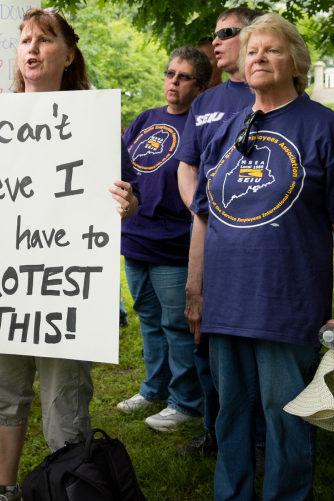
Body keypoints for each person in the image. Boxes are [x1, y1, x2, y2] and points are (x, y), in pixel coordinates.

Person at [0, 5, 140, 501]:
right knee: (2, 390)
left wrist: (126, 201)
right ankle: (5, 488)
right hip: (0, 283)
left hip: (63, 287)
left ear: (68, 53)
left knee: (66, 398)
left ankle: (72, 486)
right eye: (24, 40)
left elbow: (128, 192)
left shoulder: (94, 120)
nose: (32, 48)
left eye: (44, 39)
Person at [185, 13, 334, 501]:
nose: (259, 57)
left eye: (272, 49)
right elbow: (203, 215)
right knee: (230, 414)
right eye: (251, 51)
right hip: (225, 301)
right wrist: (194, 291)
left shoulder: (323, 126)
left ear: (296, 62)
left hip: (286, 301)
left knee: (287, 413)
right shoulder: (227, 127)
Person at [175, 7, 260, 458]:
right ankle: (215, 429)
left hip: (257, 243)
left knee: (257, 344)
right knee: (203, 335)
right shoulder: (205, 101)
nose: (217, 42)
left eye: (228, 32)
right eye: (215, 34)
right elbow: (187, 165)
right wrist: (200, 208)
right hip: (208, 239)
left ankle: (261, 434)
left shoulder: (272, 94)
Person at [116, 46, 211, 433]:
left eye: (183, 76)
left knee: (177, 324)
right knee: (149, 320)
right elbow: (124, 167)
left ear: (201, 85)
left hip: (175, 241)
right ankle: (154, 388)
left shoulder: (203, 125)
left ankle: (186, 402)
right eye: (171, 73)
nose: (173, 82)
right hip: (136, 236)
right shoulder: (146, 118)